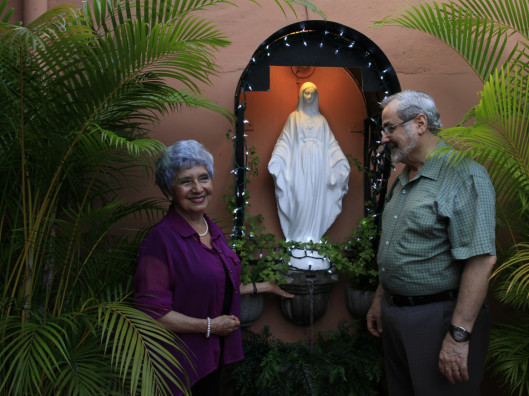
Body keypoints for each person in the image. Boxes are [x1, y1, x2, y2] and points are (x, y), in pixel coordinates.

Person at [133, 140, 293, 396]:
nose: (198, 188)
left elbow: (216, 283)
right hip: (180, 365)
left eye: (203, 178)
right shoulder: (160, 240)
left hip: (211, 359)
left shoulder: (211, 230)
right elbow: (151, 313)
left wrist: (263, 286)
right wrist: (209, 326)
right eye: (186, 181)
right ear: (169, 191)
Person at [366, 91, 497, 395]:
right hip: (397, 316)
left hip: (438, 320)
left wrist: (458, 335)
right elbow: (400, 246)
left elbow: (481, 260)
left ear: (420, 123)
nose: (384, 138)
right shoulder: (403, 178)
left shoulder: (464, 175)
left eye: (390, 128)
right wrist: (380, 298)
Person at [268, 82, 350, 245]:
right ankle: (297, 239)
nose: (309, 96)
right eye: (306, 93)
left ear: (316, 96)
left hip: (319, 166)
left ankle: (312, 238)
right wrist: (277, 159)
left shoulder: (322, 121)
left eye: (313, 93)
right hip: (299, 166)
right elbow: (285, 141)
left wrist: (341, 161)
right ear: (301, 96)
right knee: (300, 198)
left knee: (314, 200)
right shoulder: (294, 118)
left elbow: (331, 144)